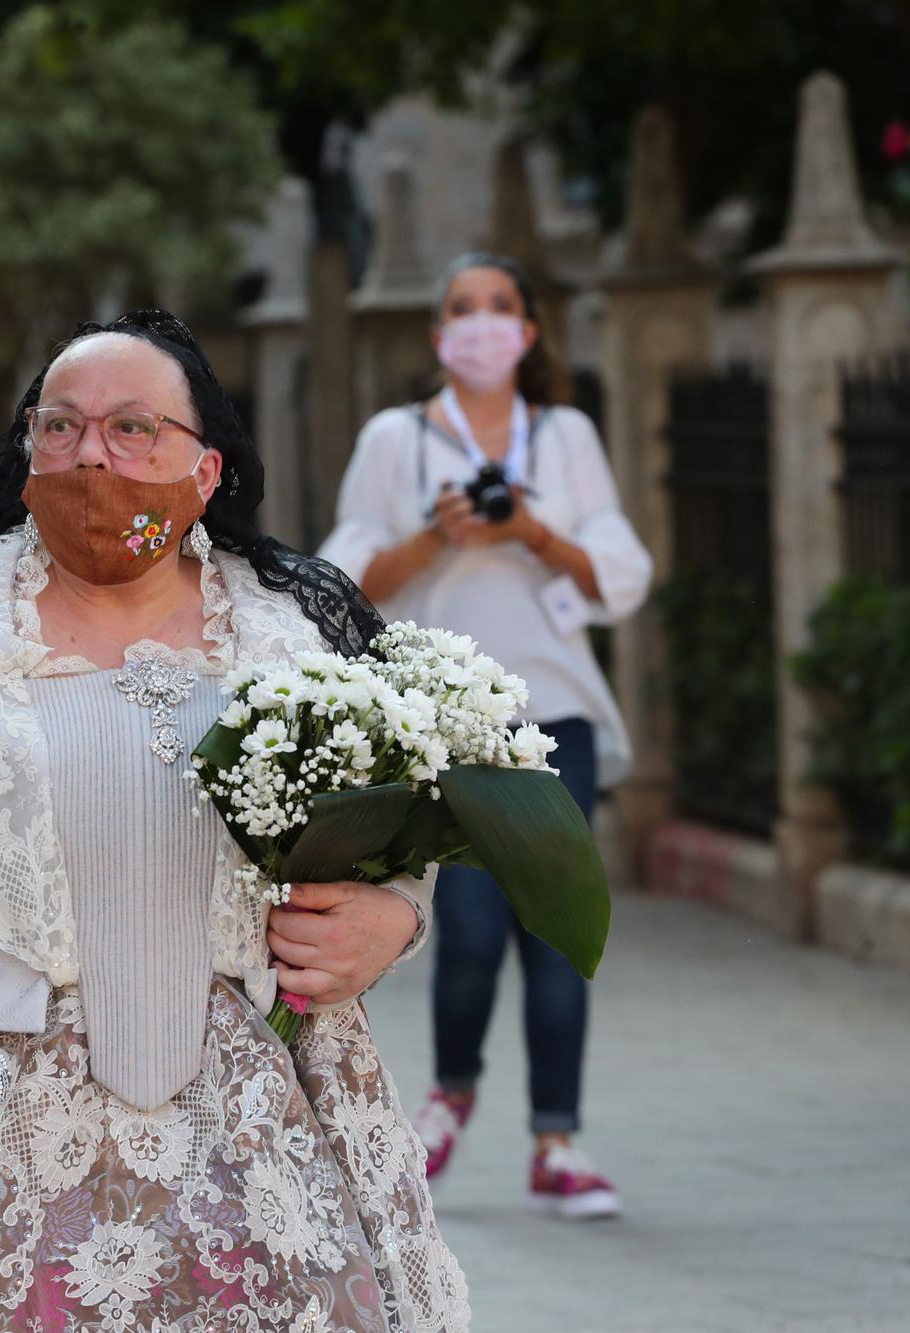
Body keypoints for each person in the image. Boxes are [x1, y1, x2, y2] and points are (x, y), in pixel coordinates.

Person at [0, 311, 470, 1331]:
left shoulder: (285, 633)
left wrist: (392, 918)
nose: (89, 457)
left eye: (130, 429)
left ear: (206, 470)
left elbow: (398, 818)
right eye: (58, 427)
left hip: (243, 1112)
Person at [318, 252, 652, 1221]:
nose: (479, 326)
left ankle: (557, 1141)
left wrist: (529, 534)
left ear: (528, 331)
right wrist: (436, 536)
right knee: (462, 930)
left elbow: (617, 573)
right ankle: (446, 1097)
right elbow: (342, 579)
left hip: (552, 718)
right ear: (435, 337)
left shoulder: (565, 435)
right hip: (445, 726)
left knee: (558, 933)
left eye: (498, 308)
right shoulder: (396, 439)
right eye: (460, 310)